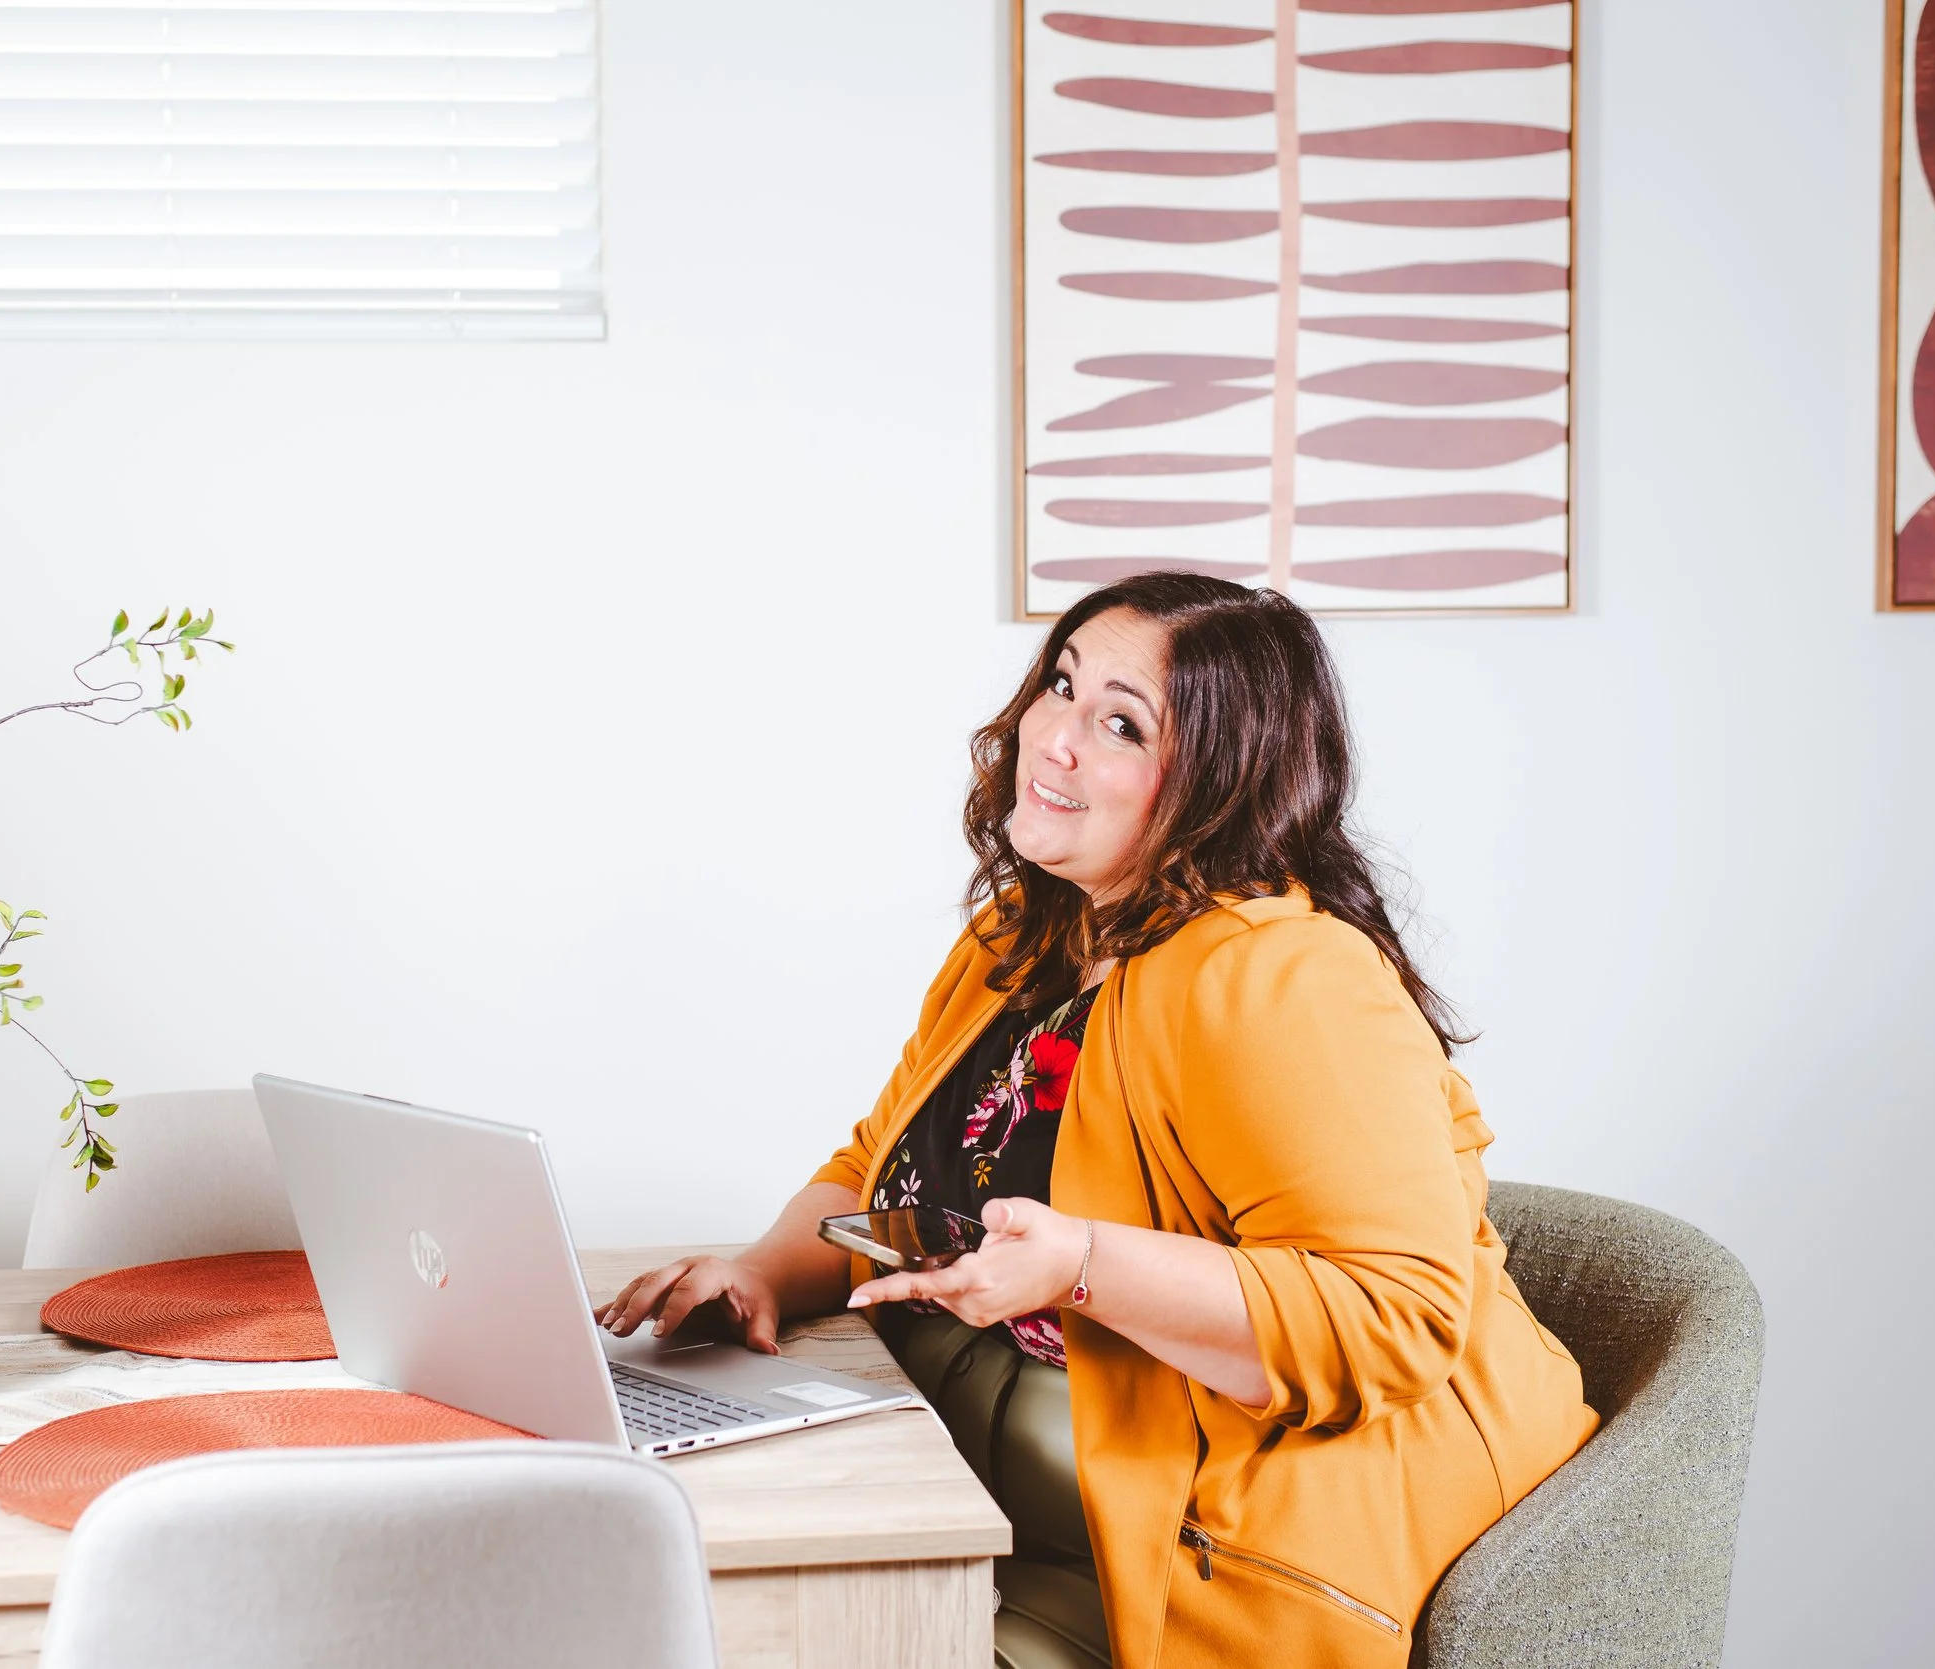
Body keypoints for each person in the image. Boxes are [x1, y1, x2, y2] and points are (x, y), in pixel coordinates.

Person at [600, 573, 1599, 1668]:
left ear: (1222, 783)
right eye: (1061, 687)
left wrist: (1080, 1264)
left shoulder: (1284, 980)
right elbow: (873, 1169)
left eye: (1119, 723)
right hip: (966, 1484)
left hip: (1169, 1554)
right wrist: (764, 1276)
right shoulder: (1023, 937)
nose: (1054, 739)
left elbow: (1393, 1315)